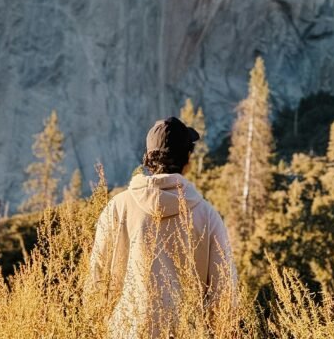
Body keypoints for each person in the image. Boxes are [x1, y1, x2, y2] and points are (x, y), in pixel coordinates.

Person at [87, 116, 237, 337]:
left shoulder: (117, 208)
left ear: (148, 159)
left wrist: (100, 326)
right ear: (188, 158)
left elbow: (96, 281)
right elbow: (224, 293)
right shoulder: (207, 215)